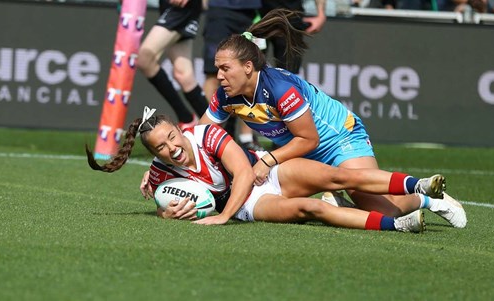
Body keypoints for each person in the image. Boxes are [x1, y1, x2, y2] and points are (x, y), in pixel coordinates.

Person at [199, 9, 467, 228]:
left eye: (225, 68)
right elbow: (200, 135)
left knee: (383, 208)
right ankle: (342, 204)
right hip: (301, 151)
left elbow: (309, 138)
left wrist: (267, 161)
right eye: (218, 68)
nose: (218, 75)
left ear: (248, 67)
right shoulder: (226, 95)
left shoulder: (279, 88)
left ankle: (429, 201)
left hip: (339, 138)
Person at [87, 109, 452, 232]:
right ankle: (400, 223)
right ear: (154, 154)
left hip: (264, 172)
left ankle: (419, 187)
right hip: (249, 206)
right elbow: (163, 203)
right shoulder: (158, 173)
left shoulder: (206, 133)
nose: (172, 149)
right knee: (313, 209)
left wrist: (220, 217)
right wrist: (168, 213)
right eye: (161, 148)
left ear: (181, 129)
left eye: (172, 138)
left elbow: (243, 175)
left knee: (337, 175)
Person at [201, 0, 264, 151]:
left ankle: (246, 138)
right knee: (213, 73)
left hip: (252, 12)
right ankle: (211, 135)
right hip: (219, 10)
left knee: (251, 73)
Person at [136, 0, 207, 130]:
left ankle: (186, 118)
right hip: (170, 6)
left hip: (183, 7)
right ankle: (220, 131)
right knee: (183, 74)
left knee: (144, 58)